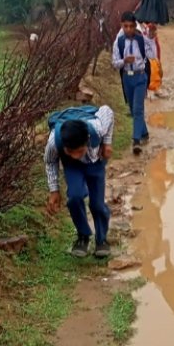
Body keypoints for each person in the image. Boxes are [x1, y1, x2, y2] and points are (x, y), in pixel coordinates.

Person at [45, 106, 114, 259]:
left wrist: (107, 143)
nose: (76, 155)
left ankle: (101, 240)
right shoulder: (54, 141)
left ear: (87, 140)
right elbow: (50, 162)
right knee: (74, 197)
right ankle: (83, 237)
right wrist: (54, 190)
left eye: (79, 151)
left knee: (97, 204)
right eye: (71, 151)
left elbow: (107, 110)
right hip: (72, 167)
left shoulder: (97, 127)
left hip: (96, 163)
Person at [112, 11, 149, 155]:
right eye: (125, 26)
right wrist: (124, 61)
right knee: (133, 109)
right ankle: (144, 133)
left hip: (140, 77)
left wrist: (151, 37)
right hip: (127, 78)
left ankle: (136, 140)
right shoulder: (119, 42)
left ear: (135, 26)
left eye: (131, 26)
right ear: (122, 26)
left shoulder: (141, 39)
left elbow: (151, 55)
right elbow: (114, 63)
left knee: (138, 109)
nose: (128, 29)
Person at [144, 22, 163, 99]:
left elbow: (157, 49)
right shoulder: (143, 37)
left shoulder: (155, 38)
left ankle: (156, 89)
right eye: (151, 31)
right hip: (146, 60)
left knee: (157, 74)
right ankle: (145, 91)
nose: (153, 33)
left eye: (154, 31)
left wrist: (158, 59)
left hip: (154, 60)